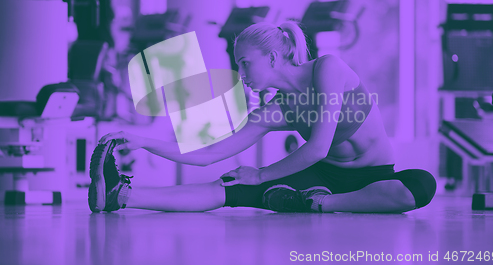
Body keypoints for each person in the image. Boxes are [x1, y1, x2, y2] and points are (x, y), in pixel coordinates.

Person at [89, 21, 436, 214]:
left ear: (272, 58)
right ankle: (122, 196)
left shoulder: (329, 70)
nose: (240, 73)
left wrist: (261, 175)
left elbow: (317, 147)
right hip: (321, 176)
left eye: (245, 62)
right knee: (229, 186)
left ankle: (319, 202)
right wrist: (143, 141)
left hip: (374, 178)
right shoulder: (276, 109)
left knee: (419, 186)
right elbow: (209, 153)